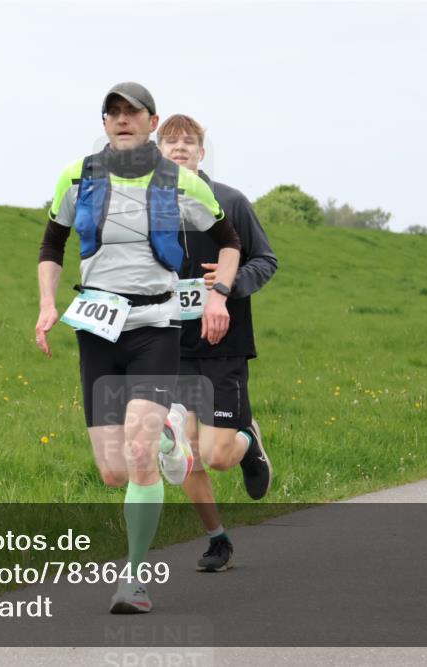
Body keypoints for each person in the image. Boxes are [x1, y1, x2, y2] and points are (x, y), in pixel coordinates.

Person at [35, 82, 242, 613]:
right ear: (104, 123)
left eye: (133, 112)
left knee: (137, 451)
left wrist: (220, 291)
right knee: (114, 470)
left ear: (153, 122)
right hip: (98, 324)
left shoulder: (180, 181)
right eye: (113, 113)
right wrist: (46, 304)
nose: (122, 119)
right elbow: (52, 242)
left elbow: (229, 240)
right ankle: (175, 439)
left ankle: (133, 580)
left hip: (156, 322)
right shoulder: (77, 175)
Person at [157, 114, 276, 572]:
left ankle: (250, 442)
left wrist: (228, 285)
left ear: (201, 153)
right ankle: (217, 541)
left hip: (223, 346)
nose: (180, 149)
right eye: (171, 142)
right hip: (172, 347)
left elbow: (266, 260)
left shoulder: (229, 201)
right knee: (183, 452)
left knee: (217, 456)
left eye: (189, 143)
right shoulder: (148, 210)